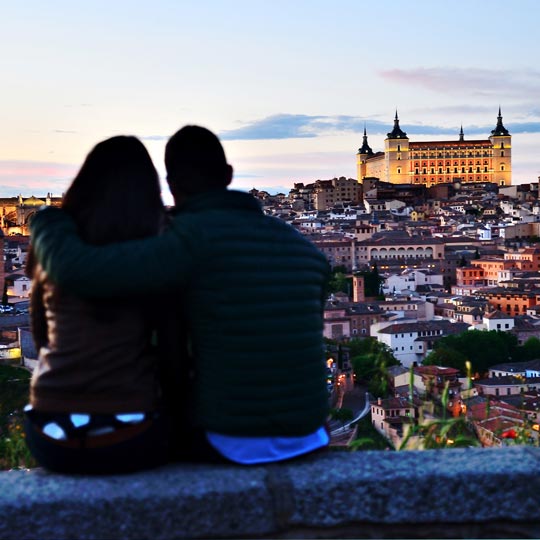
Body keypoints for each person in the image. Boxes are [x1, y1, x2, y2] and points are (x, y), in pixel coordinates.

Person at [29, 125, 331, 465]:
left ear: (171, 184)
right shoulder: (306, 252)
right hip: (310, 434)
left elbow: (78, 272)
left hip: (229, 438)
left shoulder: (186, 241)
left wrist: (45, 220)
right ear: (229, 174)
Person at [24, 136, 170, 474]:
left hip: (49, 433)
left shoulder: (53, 249)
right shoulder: (157, 251)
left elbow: (42, 336)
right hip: (133, 432)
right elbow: (169, 348)